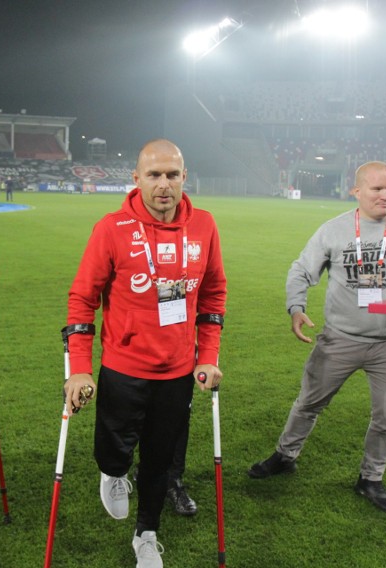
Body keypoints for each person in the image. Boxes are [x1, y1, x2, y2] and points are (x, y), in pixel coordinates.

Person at [65, 139, 226, 567]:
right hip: (123, 367)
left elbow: (213, 295)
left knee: (159, 460)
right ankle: (113, 473)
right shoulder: (111, 228)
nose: (163, 184)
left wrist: (208, 355)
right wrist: (79, 368)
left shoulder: (205, 226)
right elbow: (82, 299)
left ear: (184, 177)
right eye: (153, 175)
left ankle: (147, 534)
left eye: (172, 174)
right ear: (136, 179)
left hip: (178, 371)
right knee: (113, 450)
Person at [247, 161, 386, 514]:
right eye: (378, 188)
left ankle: (371, 478)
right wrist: (296, 307)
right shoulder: (334, 230)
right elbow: (301, 270)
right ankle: (285, 456)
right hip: (340, 339)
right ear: (357, 191)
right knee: (308, 403)